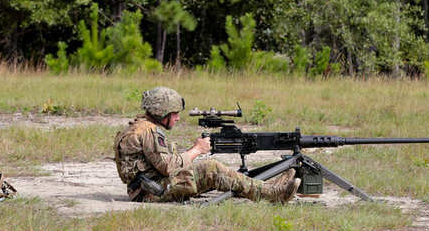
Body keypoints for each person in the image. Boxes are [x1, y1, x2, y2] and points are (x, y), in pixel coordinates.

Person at [114, 87, 300, 203]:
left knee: (213, 173)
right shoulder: (149, 131)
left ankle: (264, 188)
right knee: (211, 168)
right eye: (175, 113)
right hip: (152, 192)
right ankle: (272, 194)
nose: (178, 118)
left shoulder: (140, 127)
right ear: (163, 112)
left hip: (148, 188)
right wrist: (197, 150)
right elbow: (168, 166)